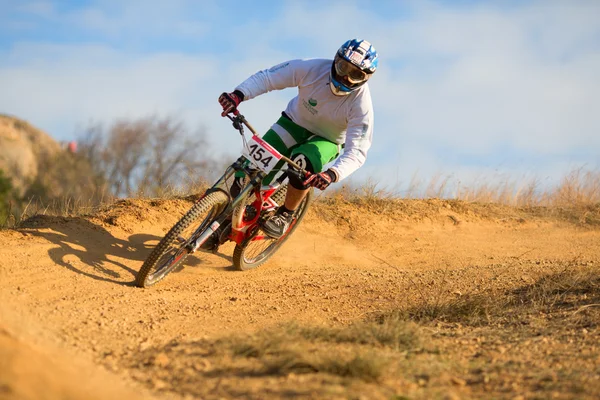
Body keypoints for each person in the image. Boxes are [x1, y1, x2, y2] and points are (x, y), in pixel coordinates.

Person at [218, 38, 378, 239]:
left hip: (327, 140)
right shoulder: (311, 68)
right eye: (343, 67)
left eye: (355, 74)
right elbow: (269, 78)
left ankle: (286, 214)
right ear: (335, 60)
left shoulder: (362, 105)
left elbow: (357, 151)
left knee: (302, 163)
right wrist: (238, 95)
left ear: (365, 79)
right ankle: (226, 219)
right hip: (293, 123)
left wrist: (332, 174)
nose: (346, 77)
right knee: (244, 174)